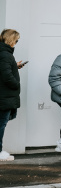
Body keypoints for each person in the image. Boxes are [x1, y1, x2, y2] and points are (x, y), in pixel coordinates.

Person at [0, 29, 24, 161]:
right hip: (4, 96)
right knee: (1, 124)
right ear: (11, 40)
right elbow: (7, 76)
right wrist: (16, 84)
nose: (16, 42)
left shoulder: (3, 54)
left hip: (3, 95)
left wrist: (15, 66)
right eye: (16, 40)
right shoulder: (5, 54)